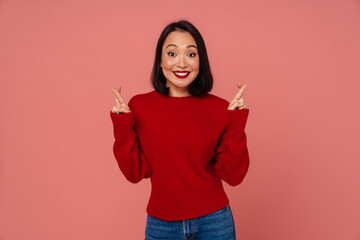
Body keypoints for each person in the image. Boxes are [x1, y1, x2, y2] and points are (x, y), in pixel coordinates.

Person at [110, 20, 249, 240]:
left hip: (215, 222)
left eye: (191, 54)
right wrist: (122, 124)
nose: (182, 63)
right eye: (172, 54)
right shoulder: (140, 107)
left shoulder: (220, 109)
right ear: (160, 62)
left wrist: (236, 123)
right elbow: (135, 173)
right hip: (162, 224)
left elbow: (233, 176)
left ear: (200, 61)